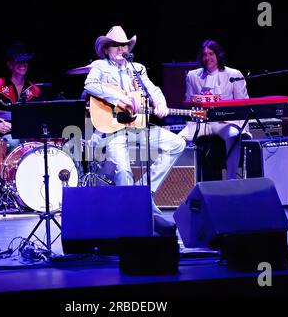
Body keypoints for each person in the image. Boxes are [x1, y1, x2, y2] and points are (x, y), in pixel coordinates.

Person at [84, 26, 186, 235]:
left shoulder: (137, 68)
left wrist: (160, 103)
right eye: (116, 46)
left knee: (177, 144)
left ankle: (144, 193)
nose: (121, 49)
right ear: (106, 50)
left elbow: (152, 89)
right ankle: (128, 220)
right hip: (113, 129)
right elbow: (90, 84)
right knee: (123, 170)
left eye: (124, 45)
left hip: (137, 127)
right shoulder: (100, 66)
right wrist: (120, 99)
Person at [178, 40, 250, 180]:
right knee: (179, 140)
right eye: (204, 54)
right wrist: (199, 100)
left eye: (211, 54)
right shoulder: (193, 76)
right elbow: (188, 103)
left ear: (218, 55)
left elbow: (243, 104)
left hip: (224, 122)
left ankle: (231, 179)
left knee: (233, 135)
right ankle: (185, 182)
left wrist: (244, 128)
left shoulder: (233, 74)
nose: (207, 58)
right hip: (201, 122)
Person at [0, 42, 43, 152]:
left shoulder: (35, 90)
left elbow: (42, 118)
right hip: (4, 139)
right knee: (13, 142)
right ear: (10, 65)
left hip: (29, 138)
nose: (23, 64)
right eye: (19, 61)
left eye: (25, 61)